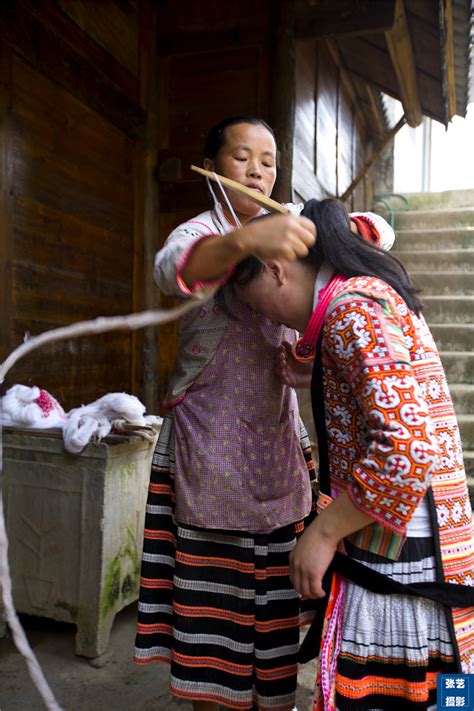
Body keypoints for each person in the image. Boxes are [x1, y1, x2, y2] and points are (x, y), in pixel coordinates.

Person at [134, 116, 394, 711]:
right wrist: (248, 242)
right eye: (241, 157)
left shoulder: (291, 225)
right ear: (213, 166)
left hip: (276, 444)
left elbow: (379, 231)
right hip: (207, 450)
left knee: (276, 619)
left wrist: (325, 227)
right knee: (213, 623)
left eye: (269, 160)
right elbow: (174, 267)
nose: (257, 171)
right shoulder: (199, 232)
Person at [232, 197, 474, 711]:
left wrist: (322, 533)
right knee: (452, 689)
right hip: (428, 545)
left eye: (257, 305)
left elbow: (406, 449)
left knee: (391, 696)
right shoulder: (364, 296)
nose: (268, 319)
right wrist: (319, 374)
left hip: (403, 553)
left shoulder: (351, 311)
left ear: (276, 271)